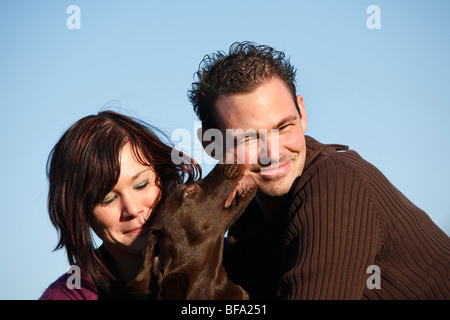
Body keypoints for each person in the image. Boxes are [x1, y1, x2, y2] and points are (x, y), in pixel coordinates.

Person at [188, 41, 450, 299]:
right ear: (211, 144)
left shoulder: (336, 183)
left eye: (283, 127)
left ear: (301, 112)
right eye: (249, 139)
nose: (273, 153)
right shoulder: (246, 219)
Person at [39, 110, 200, 299]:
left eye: (141, 185)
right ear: (80, 212)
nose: (132, 209)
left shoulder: (230, 261)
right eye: (108, 199)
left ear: (162, 177)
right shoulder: (68, 295)